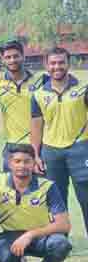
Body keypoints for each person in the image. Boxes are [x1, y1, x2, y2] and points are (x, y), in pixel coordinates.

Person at [31, 47, 88, 236]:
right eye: (53, 63)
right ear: (46, 65)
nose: (57, 66)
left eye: (61, 62)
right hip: (51, 151)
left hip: (80, 149)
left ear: (68, 64)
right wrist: (36, 155)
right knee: (56, 199)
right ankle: (60, 241)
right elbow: (36, 126)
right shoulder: (39, 94)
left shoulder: (83, 89)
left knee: (86, 198)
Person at [0, 40, 47, 169]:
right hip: (12, 145)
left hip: (41, 145)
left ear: (23, 56)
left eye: (16, 56)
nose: (12, 60)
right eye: (8, 57)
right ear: (2, 59)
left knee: (42, 187)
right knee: (10, 188)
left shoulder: (42, 80)